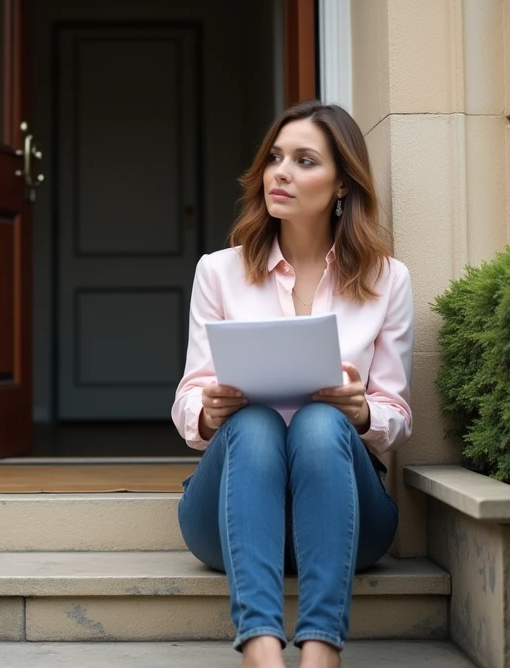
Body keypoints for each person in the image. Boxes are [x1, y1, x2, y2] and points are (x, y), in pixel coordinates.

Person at [172, 101, 414, 668]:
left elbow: (397, 414)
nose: (280, 172)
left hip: (347, 514)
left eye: (304, 161)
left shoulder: (388, 280)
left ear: (341, 187)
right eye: (274, 158)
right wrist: (208, 409)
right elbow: (188, 401)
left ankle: (321, 650)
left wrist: (362, 413)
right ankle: (260, 647)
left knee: (321, 419)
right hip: (226, 517)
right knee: (253, 422)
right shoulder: (219, 271)